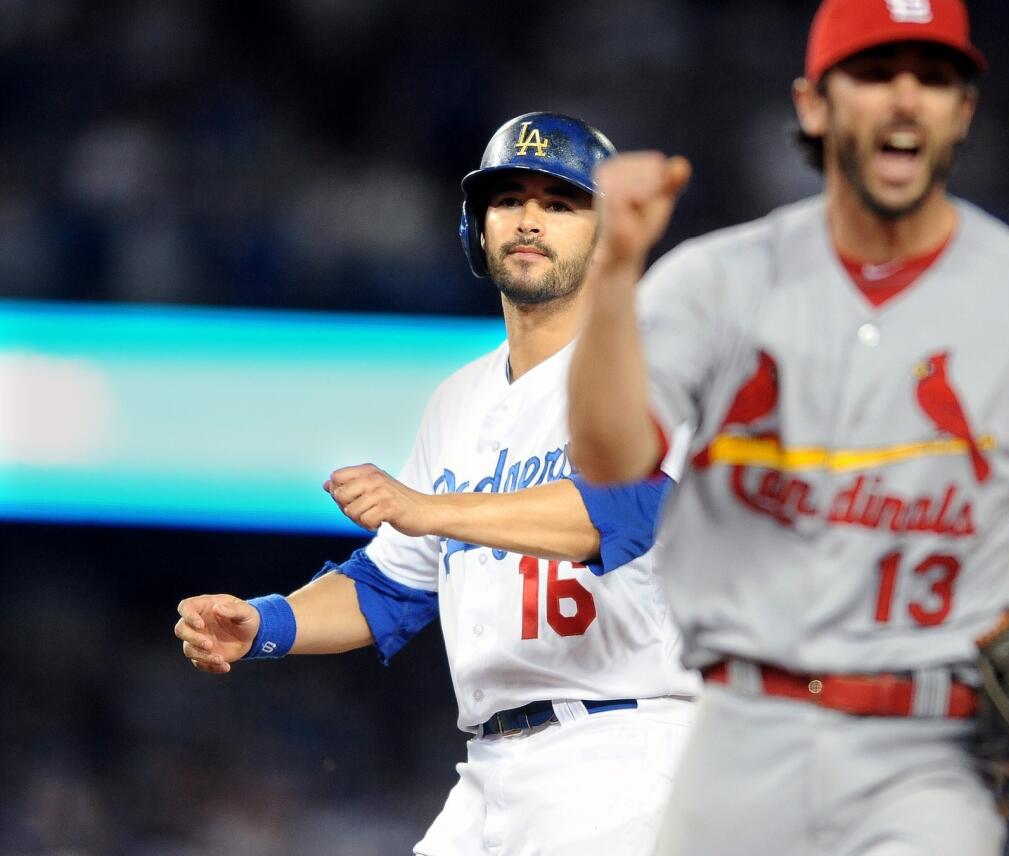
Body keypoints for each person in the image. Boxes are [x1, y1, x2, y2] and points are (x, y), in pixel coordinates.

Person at [567, 0, 1009, 855]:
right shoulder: (716, 283)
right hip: (742, 730)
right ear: (814, 105)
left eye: (932, 77)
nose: (905, 98)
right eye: (876, 70)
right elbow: (612, 459)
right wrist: (612, 283)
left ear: (963, 112)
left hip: (935, 756)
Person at [174, 112, 698, 856]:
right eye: (508, 199)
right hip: (489, 767)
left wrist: (430, 508)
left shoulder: (649, 360)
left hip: (624, 749)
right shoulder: (458, 399)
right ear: (475, 229)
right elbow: (389, 587)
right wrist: (265, 625)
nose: (528, 220)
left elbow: (624, 511)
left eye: (558, 203)